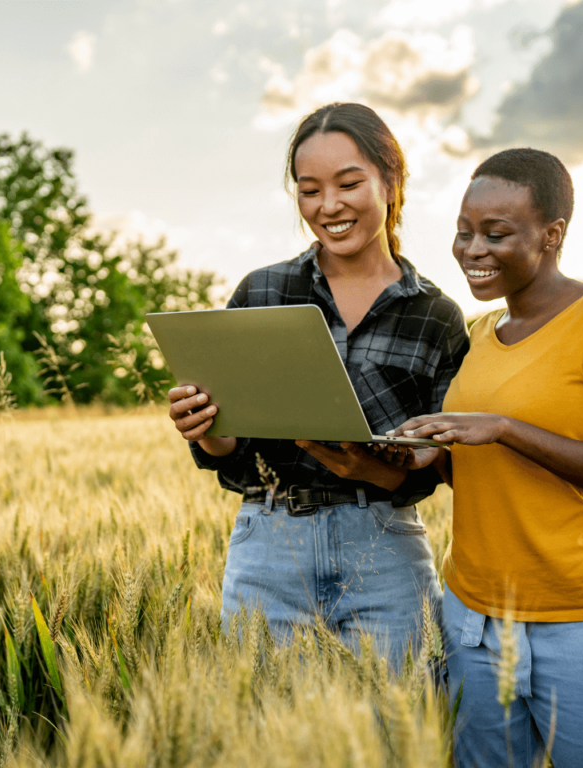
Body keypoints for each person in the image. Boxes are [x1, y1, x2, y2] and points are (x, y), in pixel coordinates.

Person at [390, 148, 583, 766]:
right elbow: (485, 475)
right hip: (475, 621)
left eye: (496, 233)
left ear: (553, 234)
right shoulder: (482, 334)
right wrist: (423, 454)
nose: (472, 249)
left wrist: (506, 428)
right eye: (463, 233)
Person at [166, 102, 469, 668]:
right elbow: (230, 450)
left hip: (384, 543)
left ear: (391, 179)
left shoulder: (436, 315)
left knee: (398, 739)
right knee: (270, 736)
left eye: (348, 183)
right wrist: (205, 428)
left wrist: (406, 458)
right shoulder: (262, 292)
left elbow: (449, 458)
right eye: (309, 190)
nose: (328, 206)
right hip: (269, 543)